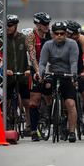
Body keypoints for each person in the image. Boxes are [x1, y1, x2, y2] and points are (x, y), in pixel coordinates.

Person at [39, 22, 79, 143]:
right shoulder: (47, 45)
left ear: (66, 34)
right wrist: (41, 74)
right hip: (52, 74)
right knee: (45, 86)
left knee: (71, 103)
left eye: (62, 33)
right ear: (52, 34)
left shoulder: (72, 44)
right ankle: (48, 111)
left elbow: (73, 62)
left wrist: (73, 77)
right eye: (57, 33)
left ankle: (72, 131)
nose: (59, 36)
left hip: (67, 75)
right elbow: (42, 63)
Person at [25, 12, 52, 141]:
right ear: (37, 24)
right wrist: (38, 71)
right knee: (34, 99)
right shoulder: (31, 36)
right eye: (45, 24)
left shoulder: (52, 35)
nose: (47, 26)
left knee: (49, 95)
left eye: (48, 24)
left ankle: (50, 118)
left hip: (50, 68)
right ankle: (34, 129)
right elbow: (32, 56)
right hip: (36, 69)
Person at [66, 20, 84, 132]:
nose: (78, 36)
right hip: (65, 69)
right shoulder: (61, 38)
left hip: (79, 69)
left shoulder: (81, 39)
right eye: (75, 34)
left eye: (78, 34)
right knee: (66, 98)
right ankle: (63, 120)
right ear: (68, 34)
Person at [5, 15, 31, 134]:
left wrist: (29, 69)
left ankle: (29, 126)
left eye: (9, 25)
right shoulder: (2, 40)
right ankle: (7, 123)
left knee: (27, 102)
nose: (7, 28)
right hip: (8, 76)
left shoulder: (23, 39)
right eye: (6, 25)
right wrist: (4, 69)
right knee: (7, 101)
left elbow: (31, 56)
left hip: (23, 75)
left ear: (15, 26)